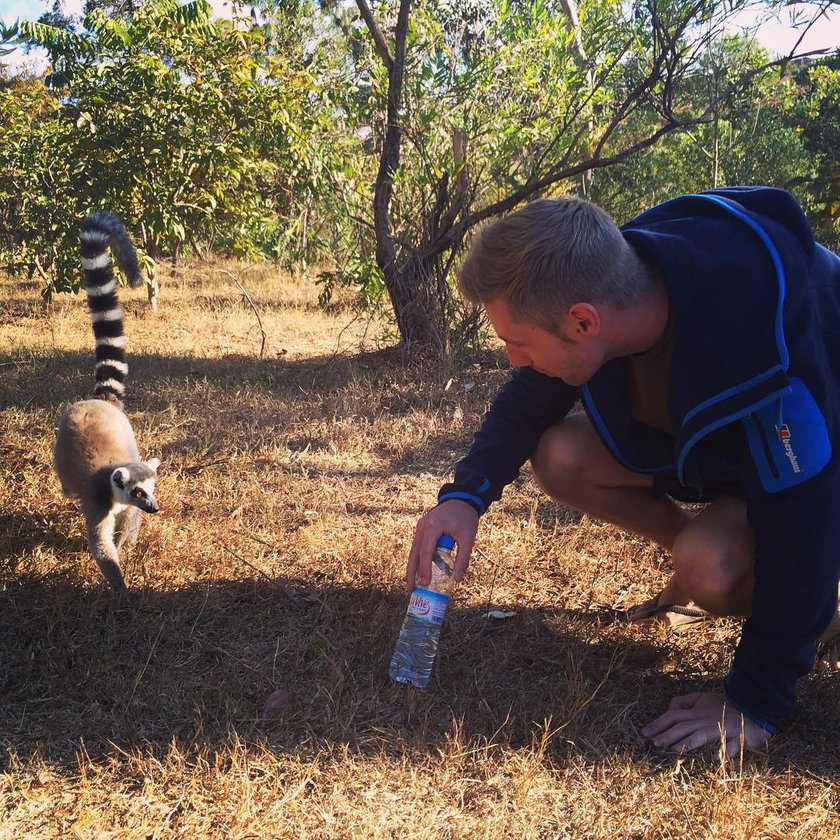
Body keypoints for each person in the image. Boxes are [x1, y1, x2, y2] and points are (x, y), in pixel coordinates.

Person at [406, 186, 840, 758]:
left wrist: (756, 702)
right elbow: (532, 394)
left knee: (712, 566)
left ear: (583, 322)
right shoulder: (616, 280)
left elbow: (804, 528)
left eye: (517, 341)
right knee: (561, 453)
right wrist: (465, 496)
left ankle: (819, 618)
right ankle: (711, 556)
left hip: (822, 472)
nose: (512, 357)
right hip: (736, 457)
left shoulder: (769, 354)